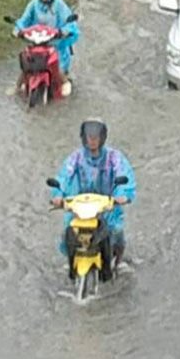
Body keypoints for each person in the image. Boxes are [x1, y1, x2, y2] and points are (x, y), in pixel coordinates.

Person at [50, 119, 138, 281]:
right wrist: (58, 195)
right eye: (89, 137)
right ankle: (71, 264)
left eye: (96, 137)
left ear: (102, 137)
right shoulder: (76, 158)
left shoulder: (114, 158)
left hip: (107, 206)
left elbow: (124, 176)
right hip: (81, 205)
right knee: (69, 231)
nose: (92, 141)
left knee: (116, 232)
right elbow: (64, 176)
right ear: (83, 137)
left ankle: (116, 263)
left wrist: (122, 195)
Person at [14, 0, 79, 96]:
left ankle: (65, 82)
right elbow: (23, 20)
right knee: (27, 62)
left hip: (55, 44)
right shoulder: (33, 5)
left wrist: (64, 31)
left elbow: (70, 23)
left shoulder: (59, 5)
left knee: (57, 65)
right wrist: (18, 30)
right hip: (37, 41)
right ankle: (17, 85)